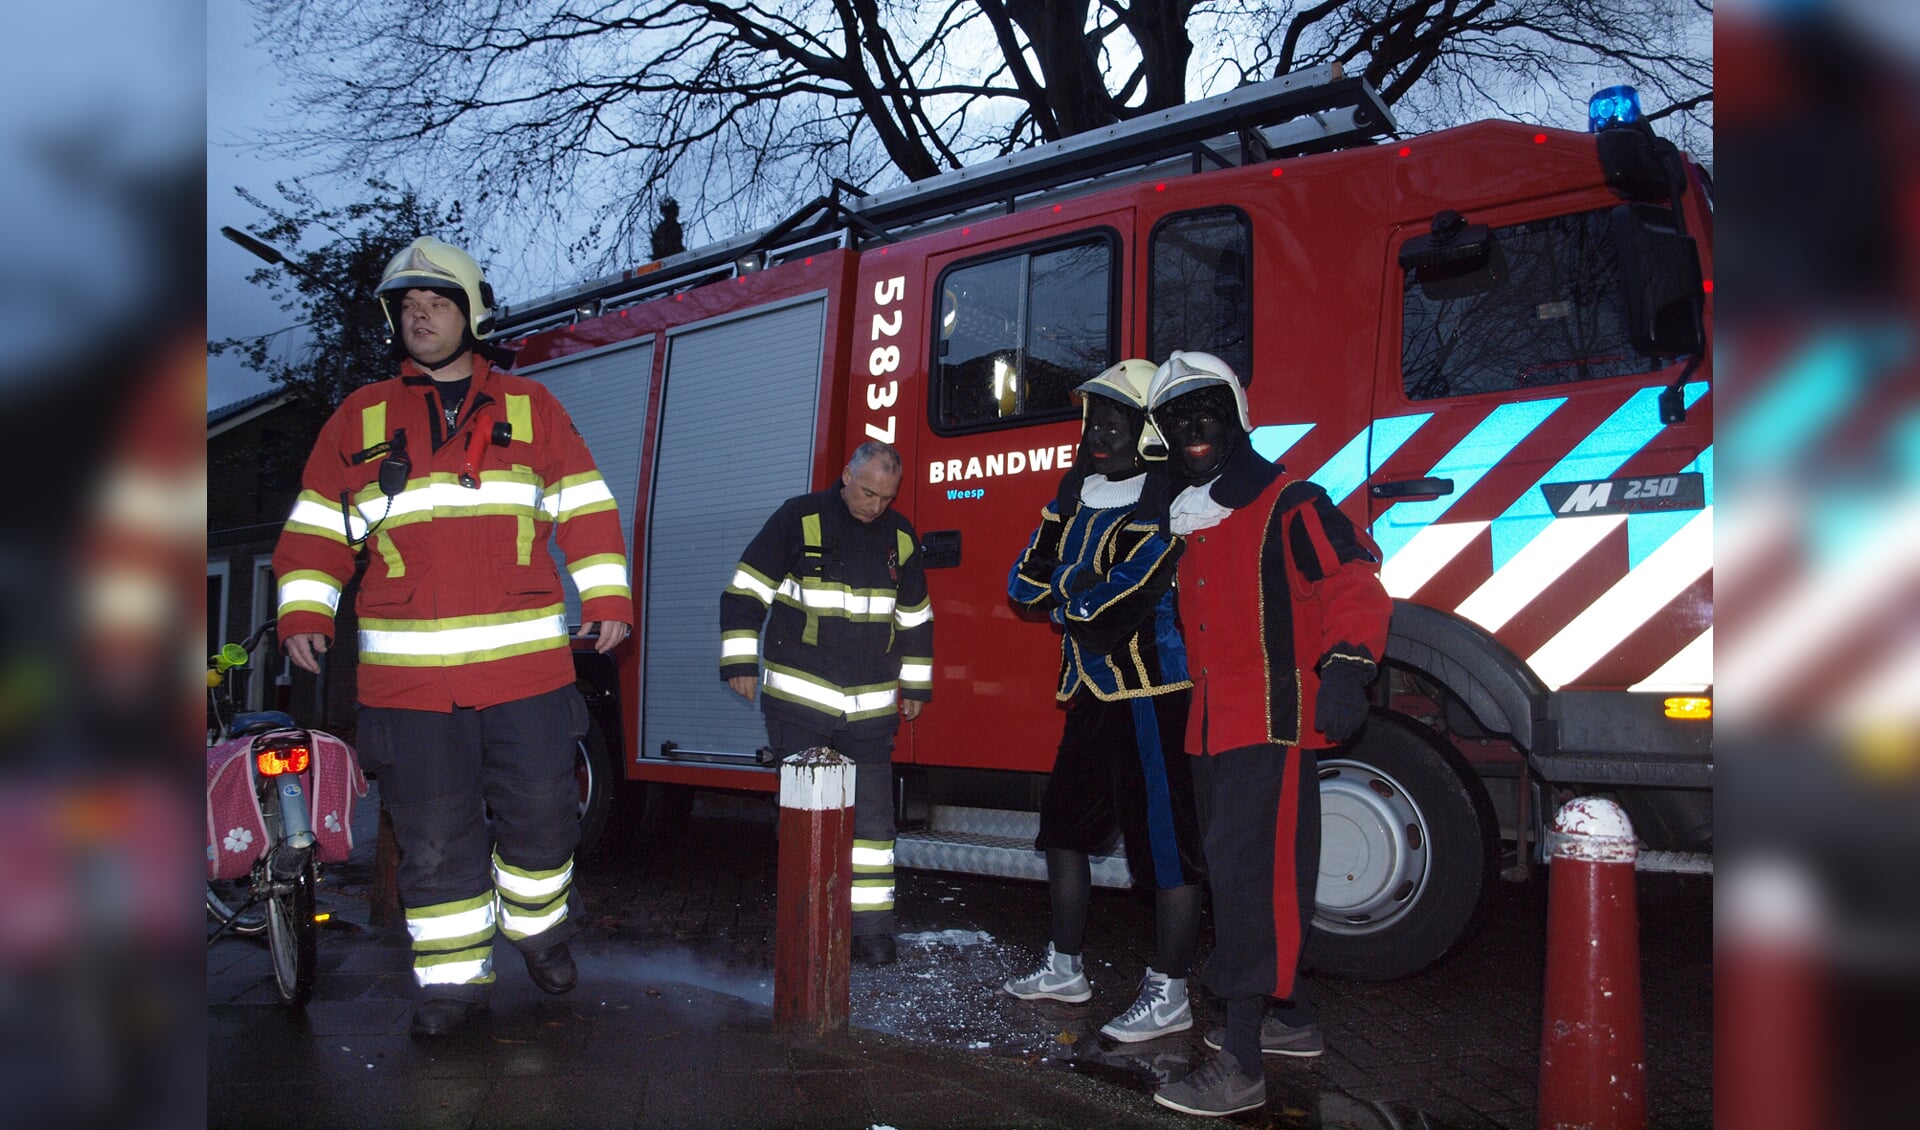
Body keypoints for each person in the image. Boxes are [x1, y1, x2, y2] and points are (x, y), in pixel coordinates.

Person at [273, 237, 634, 1037]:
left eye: (435, 302)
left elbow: (586, 505)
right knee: (435, 844)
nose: (419, 316)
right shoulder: (359, 419)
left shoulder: (530, 407)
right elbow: (313, 530)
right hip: (409, 688)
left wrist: (607, 592)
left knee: (546, 816)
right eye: (406, 306)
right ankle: (453, 987)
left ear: (472, 312)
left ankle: (539, 931)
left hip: (525, 676)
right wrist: (304, 610)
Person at [1143, 351, 1392, 1118]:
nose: (1191, 429)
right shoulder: (1197, 513)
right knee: (1244, 876)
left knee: (1253, 884)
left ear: (1236, 419)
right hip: (1212, 727)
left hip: (1274, 724)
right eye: (1176, 418)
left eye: (1204, 412)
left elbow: (1354, 581)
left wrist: (1348, 667)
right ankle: (1289, 1021)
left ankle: (1242, 1062)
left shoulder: (1290, 503)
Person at [1001, 359, 1206, 1043]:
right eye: (1094, 417)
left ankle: (1171, 993)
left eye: (1116, 418)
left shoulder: (1169, 494)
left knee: (1166, 851)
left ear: (1146, 429)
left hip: (1150, 692)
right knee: (1061, 829)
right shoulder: (1075, 491)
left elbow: (1126, 598)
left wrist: (1072, 591)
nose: (1100, 430)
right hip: (1089, 692)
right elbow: (1022, 581)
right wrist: (1075, 589)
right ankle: (1065, 968)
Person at [719, 441, 933, 966]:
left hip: (869, 710)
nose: (874, 505)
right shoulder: (800, 517)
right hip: (800, 702)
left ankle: (872, 931)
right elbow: (746, 590)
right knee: (805, 819)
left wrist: (918, 688)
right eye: (866, 492)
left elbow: (915, 618)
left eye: (886, 497)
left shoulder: (900, 537)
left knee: (874, 826)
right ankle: (807, 924)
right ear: (846, 475)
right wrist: (740, 661)